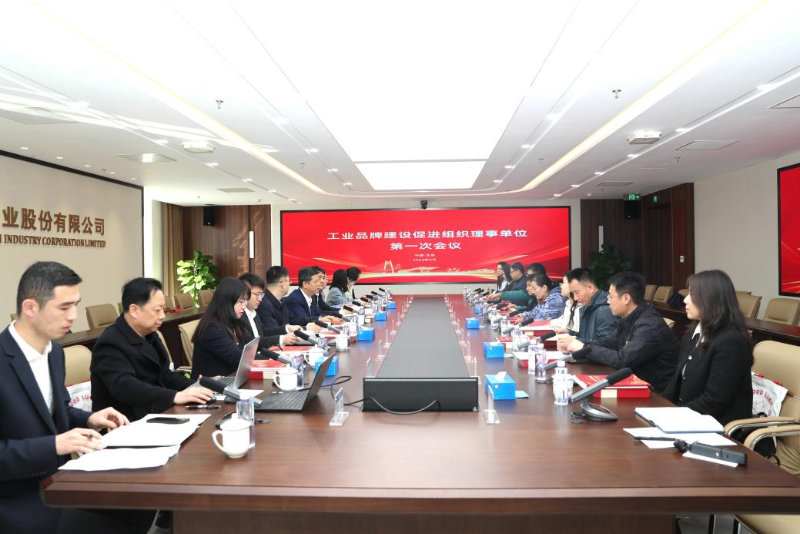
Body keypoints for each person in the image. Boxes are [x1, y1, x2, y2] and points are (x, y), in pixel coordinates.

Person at [0, 261, 151, 534]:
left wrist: (90, 418)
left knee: (140, 501)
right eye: (64, 307)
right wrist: (53, 445)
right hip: (15, 496)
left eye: (76, 305)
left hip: (59, 479)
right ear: (30, 307)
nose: (74, 316)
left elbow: (53, 413)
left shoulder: (55, 353)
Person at [91, 277, 214, 422]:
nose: (163, 316)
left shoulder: (149, 334)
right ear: (134, 310)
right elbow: (125, 388)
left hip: (154, 412)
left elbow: (164, 375)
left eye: (163, 309)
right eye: (157, 310)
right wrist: (174, 396)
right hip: (127, 421)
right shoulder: (110, 342)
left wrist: (197, 387)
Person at [562, 272, 679, 393]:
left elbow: (622, 360)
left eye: (611, 297)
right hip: (633, 385)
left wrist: (583, 348)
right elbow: (609, 343)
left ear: (626, 298)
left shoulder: (649, 326)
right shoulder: (629, 318)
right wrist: (577, 343)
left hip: (654, 395)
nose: (608, 301)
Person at [662, 270, 753, 425]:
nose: (685, 300)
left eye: (692, 294)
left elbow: (714, 401)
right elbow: (676, 381)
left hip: (717, 426)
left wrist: (674, 416)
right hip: (688, 417)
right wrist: (659, 408)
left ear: (710, 299)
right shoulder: (692, 334)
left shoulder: (731, 342)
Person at [190, 277, 252, 379]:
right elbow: (239, 358)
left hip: (231, 379)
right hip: (209, 385)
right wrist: (267, 361)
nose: (244, 306)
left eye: (245, 301)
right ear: (227, 302)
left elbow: (250, 345)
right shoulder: (211, 328)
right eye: (241, 302)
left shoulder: (234, 322)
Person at [238, 273, 299, 351]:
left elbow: (264, 332)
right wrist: (281, 339)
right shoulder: (239, 315)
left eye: (261, 294)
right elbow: (250, 341)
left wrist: (287, 329)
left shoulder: (253, 312)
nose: (260, 299)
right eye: (257, 294)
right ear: (245, 294)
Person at [557, 268, 618, 344]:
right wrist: (570, 333)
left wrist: (576, 341)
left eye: (577, 292)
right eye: (573, 293)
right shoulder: (589, 306)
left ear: (590, 287)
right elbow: (589, 337)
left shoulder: (604, 310)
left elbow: (607, 345)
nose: (575, 298)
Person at [256, 266, 323, 334]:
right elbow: (274, 332)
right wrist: (306, 328)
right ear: (282, 283)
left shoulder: (281, 301)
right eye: (289, 281)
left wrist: (314, 322)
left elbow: (293, 320)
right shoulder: (263, 304)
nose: (290, 284)